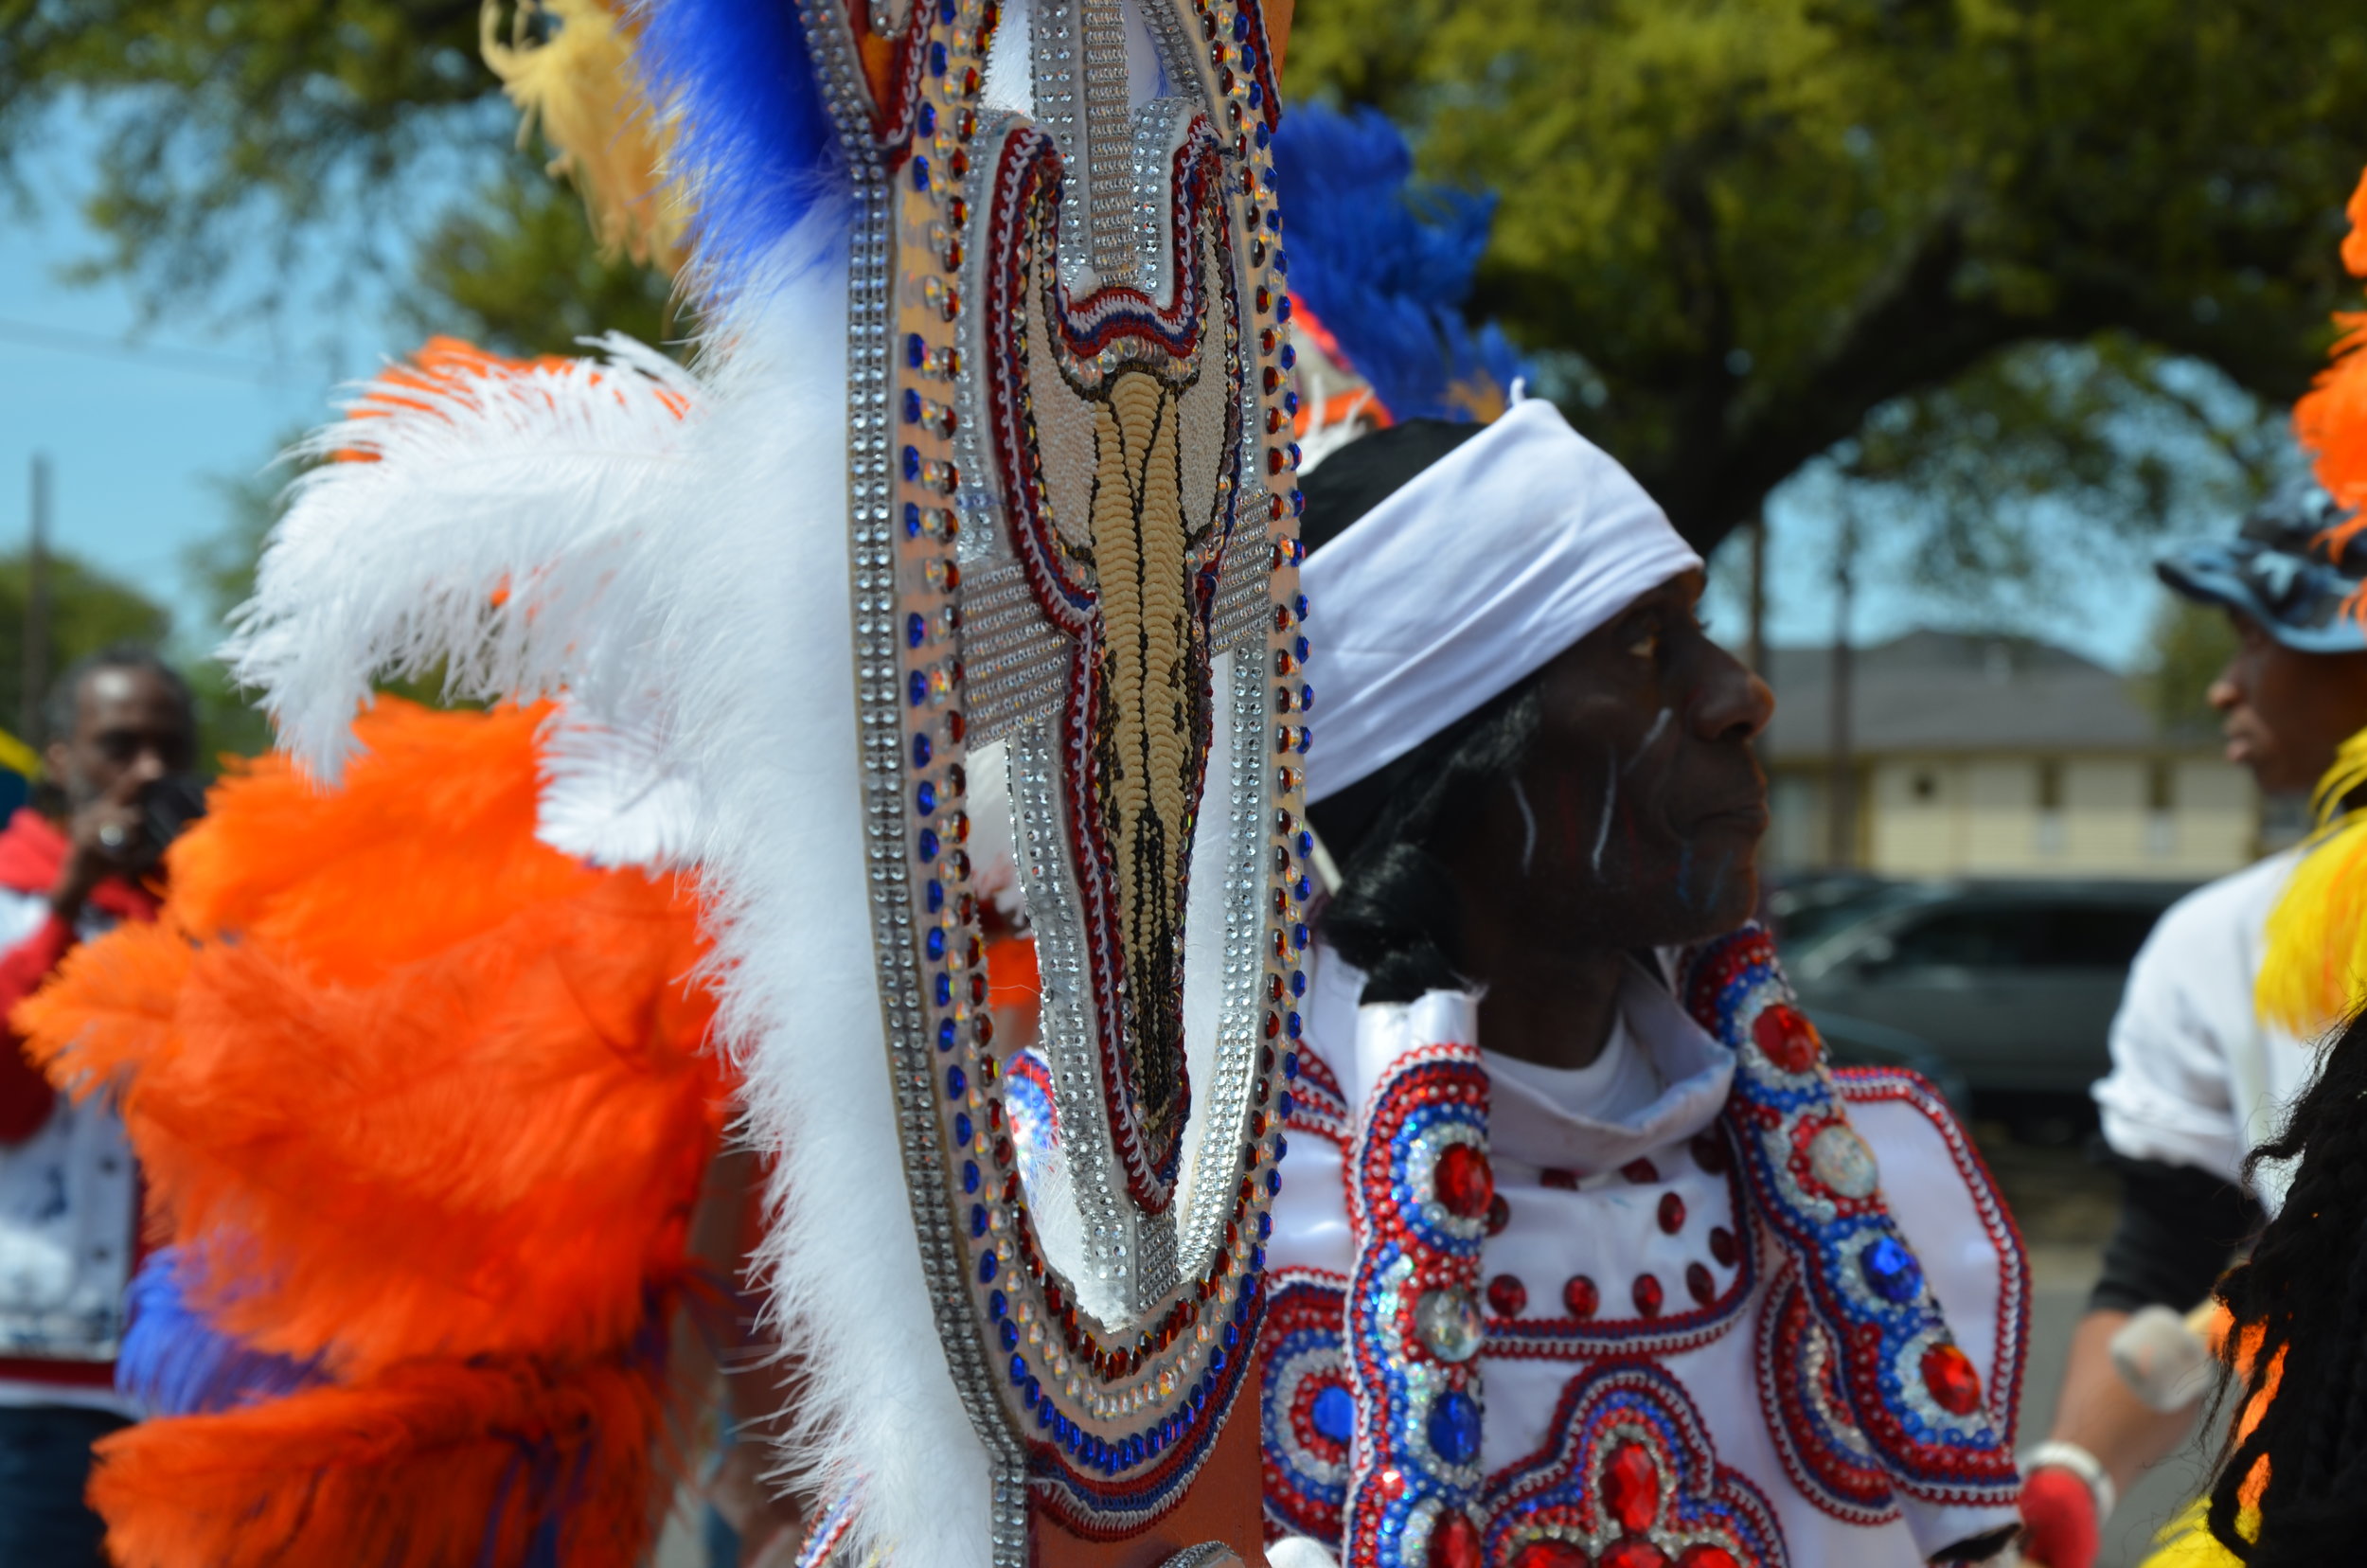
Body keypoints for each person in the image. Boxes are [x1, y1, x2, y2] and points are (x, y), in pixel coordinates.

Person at [1257, 401, 2028, 1567]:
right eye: (1638, 644)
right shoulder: (1210, 1230)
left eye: (1695, 631)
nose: (1738, 695)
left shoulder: (1869, 1189)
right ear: (1441, 761)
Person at [2016, 481, 2367, 1568]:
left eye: (2253, 636)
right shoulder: (2215, 942)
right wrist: (2067, 1485)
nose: (2222, 686)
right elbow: (2175, 1262)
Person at [0, 645, 193, 1564]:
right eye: (120, 744)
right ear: (60, 758)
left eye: (170, 748)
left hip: (183, 1385)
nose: (148, 772)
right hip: (28, 1390)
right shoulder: (6, 895)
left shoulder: (214, 912)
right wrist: (64, 910)